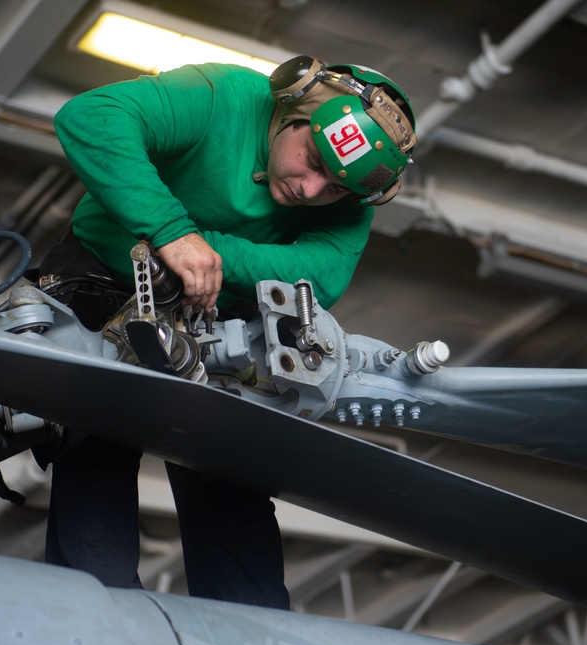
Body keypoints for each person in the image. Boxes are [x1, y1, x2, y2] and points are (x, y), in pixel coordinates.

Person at [38, 55, 417, 609]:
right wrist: (171, 232)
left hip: (221, 314)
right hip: (100, 277)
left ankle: (255, 636)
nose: (311, 190)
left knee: (228, 480)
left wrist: (204, 249)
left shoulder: (347, 193)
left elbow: (323, 277)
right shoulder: (221, 94)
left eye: (334, 189)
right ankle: (96, 613)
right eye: (311, 161)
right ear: (291, 112)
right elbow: (91, 116)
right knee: (95, 443)